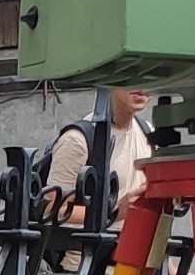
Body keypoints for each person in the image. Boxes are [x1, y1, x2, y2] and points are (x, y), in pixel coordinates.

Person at [36, 86, 154, 228]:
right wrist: (113, 213)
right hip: (87, 248)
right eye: (132, 72)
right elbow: (53, 208)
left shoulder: (147, 131)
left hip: (135, 246)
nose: (141, 85)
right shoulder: (77, 140)